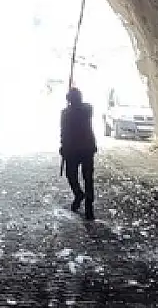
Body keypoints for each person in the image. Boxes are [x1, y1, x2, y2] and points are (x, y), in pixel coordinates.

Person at [60, 87, 97, 220]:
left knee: (76, 176)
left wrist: (63, 147)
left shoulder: (69, 112)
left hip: (75, 149)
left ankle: (82, 199)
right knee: (83, 177)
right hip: (83, 148)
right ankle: (85, 200)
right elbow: (64, 132)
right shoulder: (86, 109)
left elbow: (64, 132)